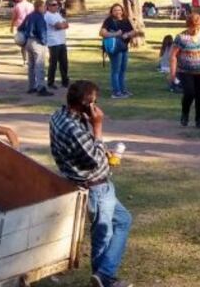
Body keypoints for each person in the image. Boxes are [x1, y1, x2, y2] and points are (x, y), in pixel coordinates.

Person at [50, 81, 133, 287]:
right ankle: (103, 277)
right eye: (93, 101)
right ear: (86, 104)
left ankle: (103, 275)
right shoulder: (74, 129)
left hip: (91, 183)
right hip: (95, 187)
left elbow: (84, 151)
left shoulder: (58, 117)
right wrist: (97, 126)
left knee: (123, 220)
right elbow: (94, 158)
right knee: (103, 234)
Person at [168, 12, 200, 128]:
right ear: (188, 26)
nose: (195, 30)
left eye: (198, 27)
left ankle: (199, 119)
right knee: (189, 93)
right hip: (185, 72)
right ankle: (185, 114)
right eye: (193, 27)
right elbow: (173, 56)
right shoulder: (181, 38)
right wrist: (173, 73)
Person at [99, 4, 138, 98]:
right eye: (115, 10)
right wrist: (115, 34)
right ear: (112, 11)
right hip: (115, 48)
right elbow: (102, 33)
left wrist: (128, 34)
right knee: (116, 70)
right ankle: (116, 92)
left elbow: (133, 31)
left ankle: (123, 90)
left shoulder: (125, 19)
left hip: (124, 47)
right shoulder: (109, 20)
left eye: (119, 10)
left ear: (122, 11)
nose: (118, 12)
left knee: (123, 70)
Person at [19, 0, 53, 96]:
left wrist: (25, 36)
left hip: (28, 41)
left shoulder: (29, 16)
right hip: (37, 42)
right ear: (39, 7)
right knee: (39, 65)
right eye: (43, 7)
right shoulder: (39, 17)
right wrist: (44, 42)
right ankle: (41, 87)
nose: (45, 8)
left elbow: (20, 27)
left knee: (31, 65)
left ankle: (31, 86)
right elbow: (42, 31)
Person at [45, 0, 70, 90]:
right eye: (53, 4)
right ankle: (50, 82)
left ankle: (65, 81)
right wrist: (62, 25)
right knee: (53, 63)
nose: (56, 6)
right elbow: (58, 26)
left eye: (57, 4)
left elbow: (66, 24)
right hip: (53, 42)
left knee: (64, 63)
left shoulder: (57, 14)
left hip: (62, 41)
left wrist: (62, 24)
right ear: (48, 6)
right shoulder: (48, 16)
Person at [10, 0, 33, 66]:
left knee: (23, 43)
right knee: (30, 42)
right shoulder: (31, 5)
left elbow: (14, 17)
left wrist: (11, 26)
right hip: (29, 25)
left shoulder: (17, 5)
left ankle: (25, 60)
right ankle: (30, 59)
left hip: (20, 25)